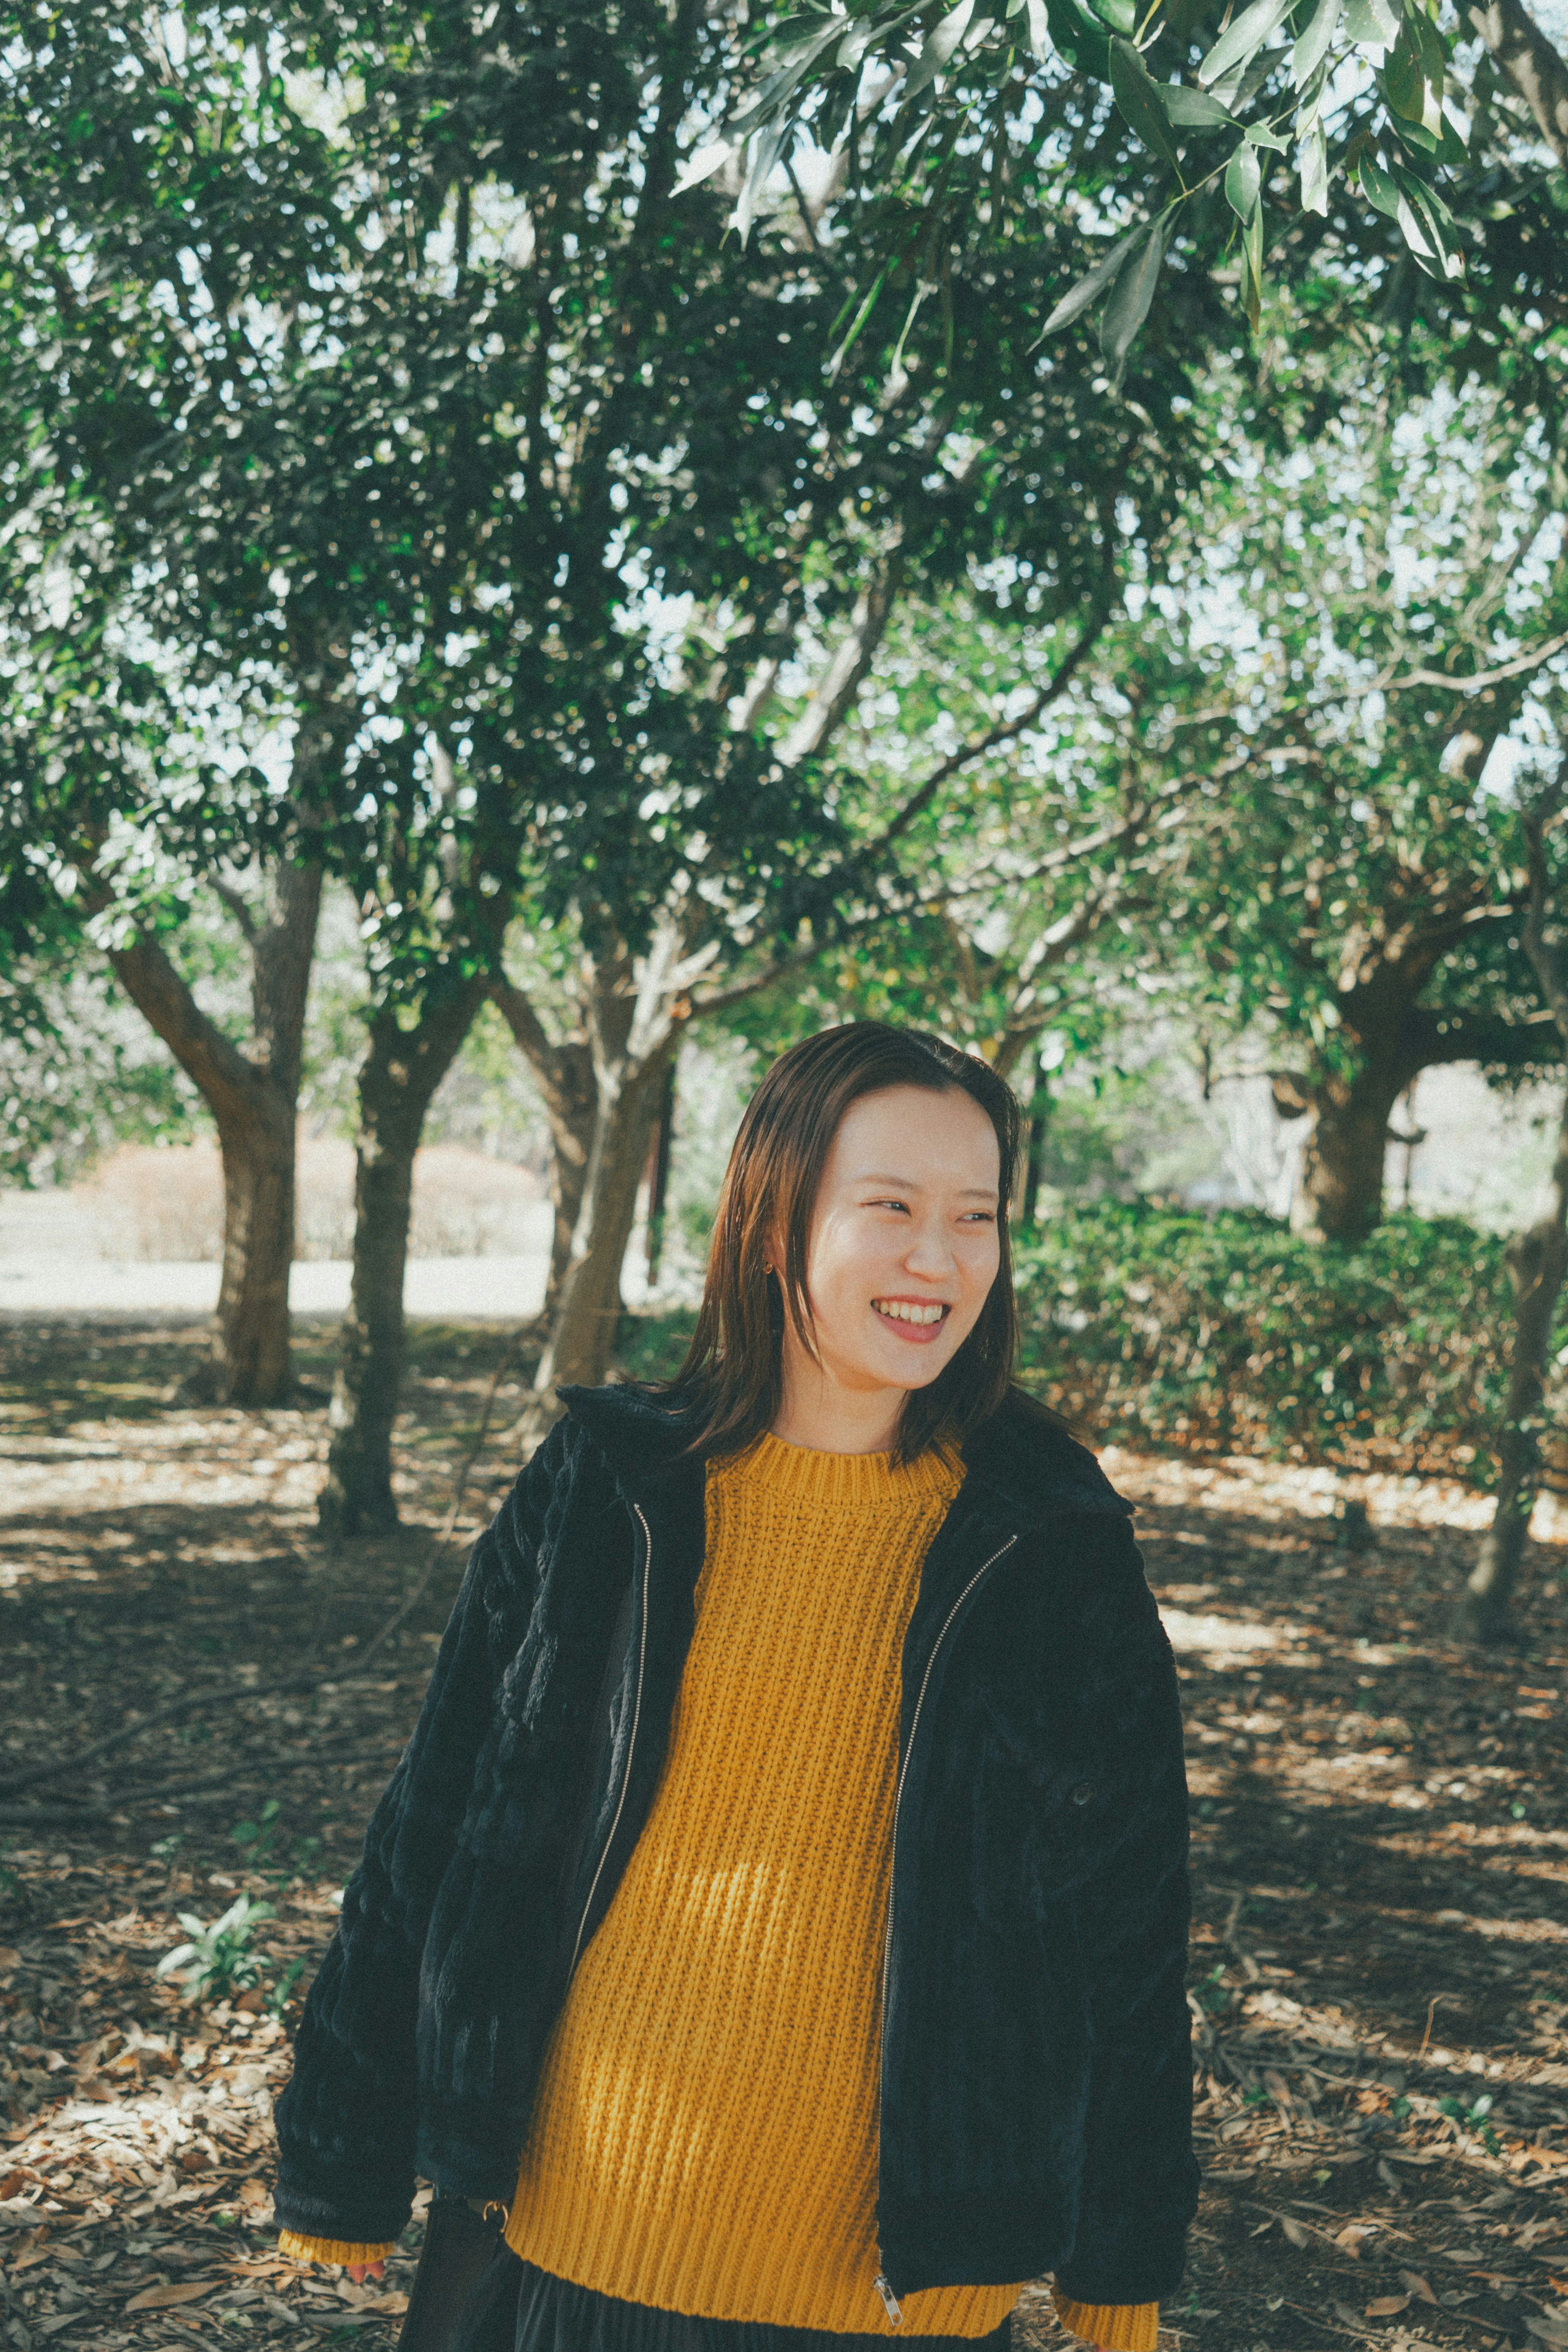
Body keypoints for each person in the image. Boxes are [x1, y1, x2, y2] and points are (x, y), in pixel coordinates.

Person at [273, 1022, 1198, 2352]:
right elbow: (441, 1815)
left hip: (901, 2301)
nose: (940, 1259)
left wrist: (1122, 2258)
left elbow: (1129, 1919)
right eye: (891, 1208)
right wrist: (345, 2152)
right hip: (584, 2243)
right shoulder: (609, 1487)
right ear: (775, 1219)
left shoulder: (1048, 1538)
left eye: (977, 1218)